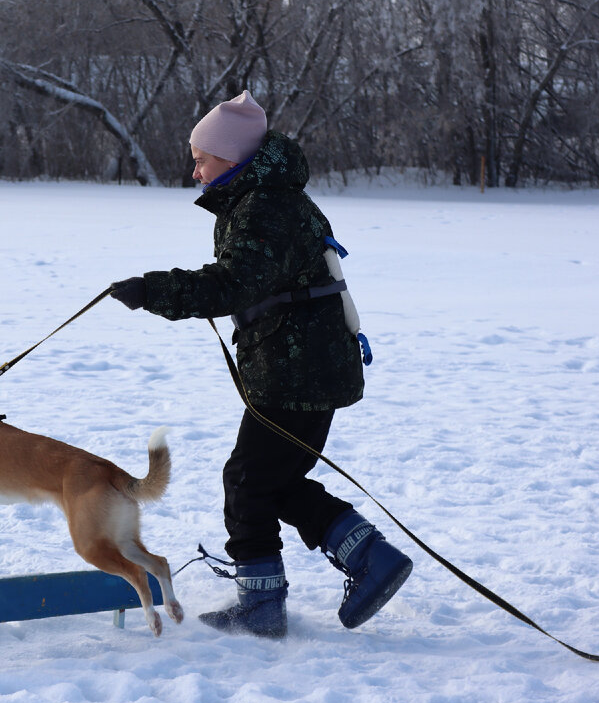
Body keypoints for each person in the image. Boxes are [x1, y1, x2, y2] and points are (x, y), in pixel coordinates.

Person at [108, 90, 412, 638]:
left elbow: (232, 284)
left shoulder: (265, 206)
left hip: (297, 372)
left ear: (232, 158)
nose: (195, 169)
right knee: (274, 480)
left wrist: (152, 290)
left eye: (201, 158)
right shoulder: (264, 198)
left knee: (249, 481)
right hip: (302, 368)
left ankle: (265, 603)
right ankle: (368, 556)